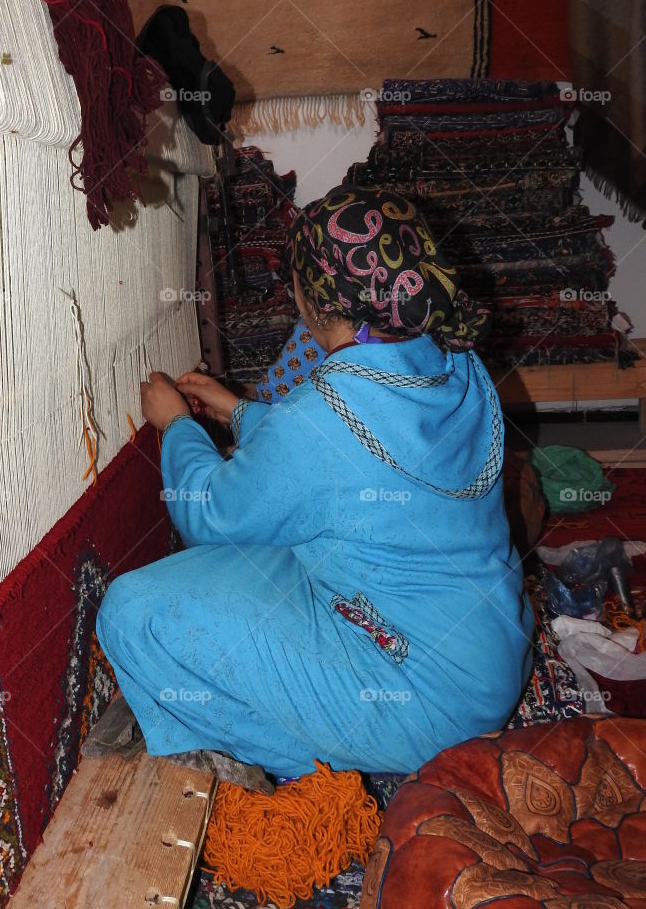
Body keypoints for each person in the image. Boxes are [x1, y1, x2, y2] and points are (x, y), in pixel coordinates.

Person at [95, 186, 533, 777]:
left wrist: (175, 425)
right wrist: (241, 413)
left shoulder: (322, 416)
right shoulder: (454, 358)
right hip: (490, 653)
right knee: (263, 548)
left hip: (422, 699)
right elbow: (341, 460)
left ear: (316, 305)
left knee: (130, 612)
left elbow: (210, 516)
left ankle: (300, 768)